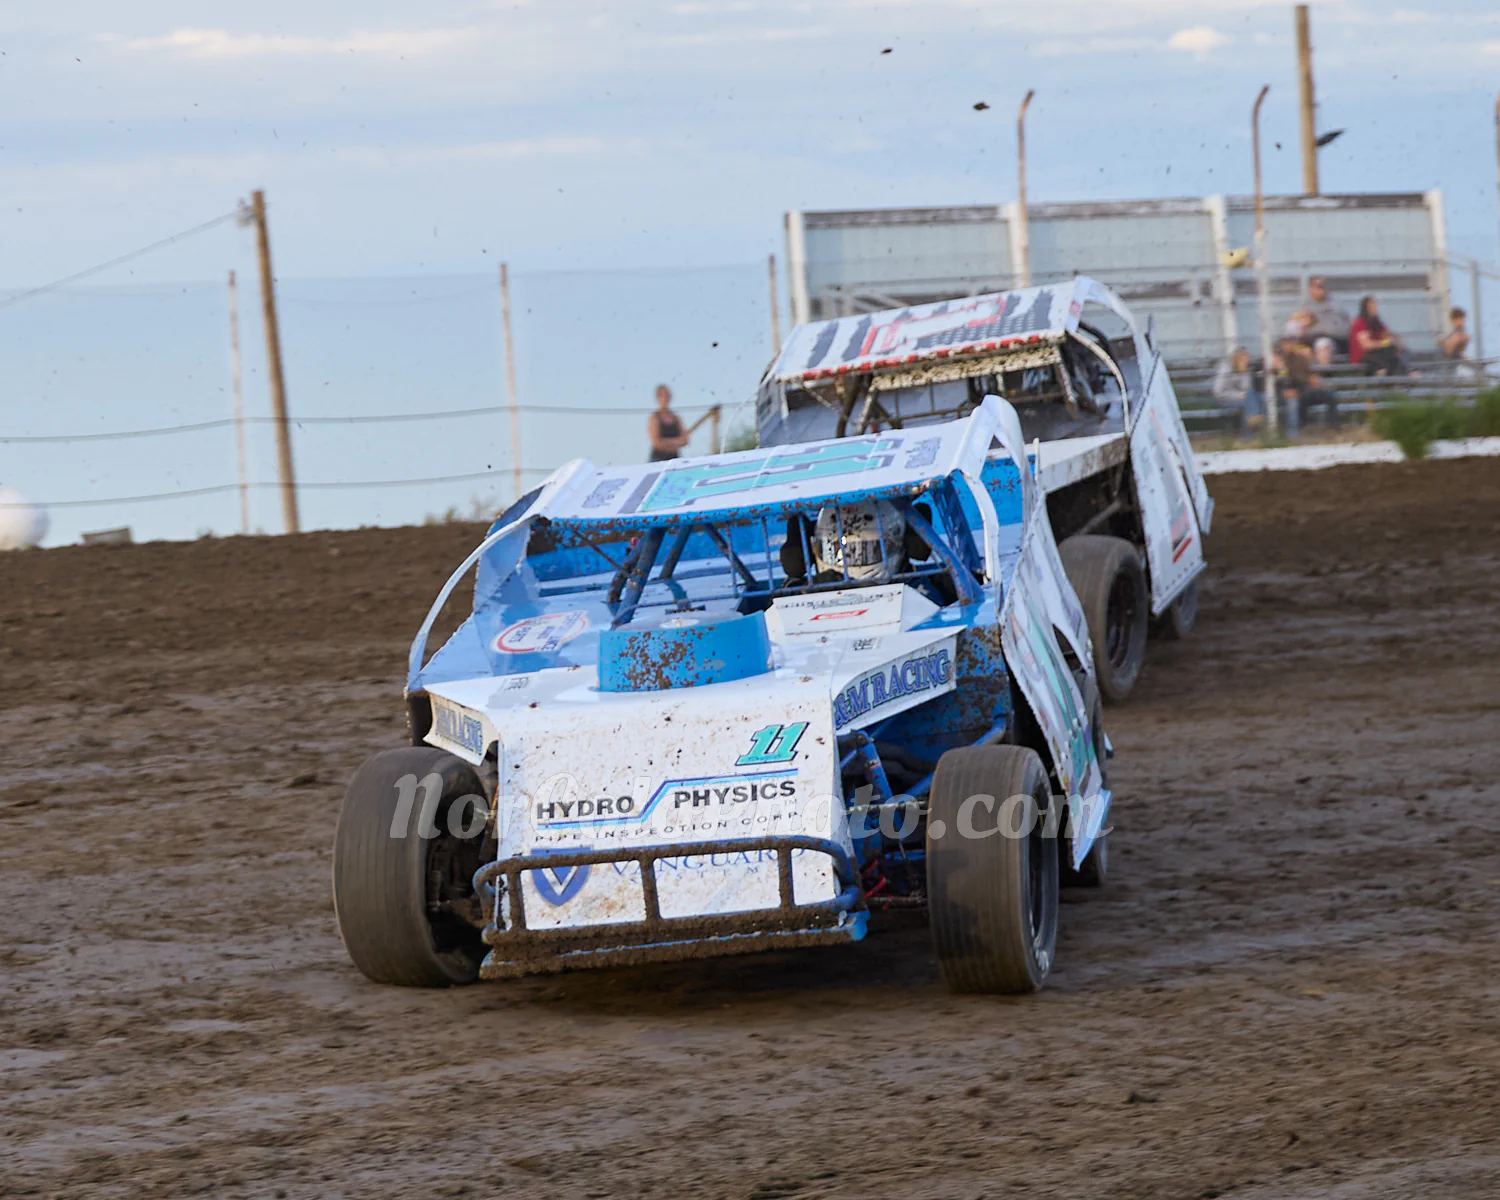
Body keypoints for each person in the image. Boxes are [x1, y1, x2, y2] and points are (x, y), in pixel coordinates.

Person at [1348, 296, 1408, 376]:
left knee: (1398, 354)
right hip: (1364, 356)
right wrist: (1386, 343)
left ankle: (1404, 376)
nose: (1375, 307)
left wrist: (1396, 340)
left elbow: (1386, 334)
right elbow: (1367, 345)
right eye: (1372, 305)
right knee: (1390, 353)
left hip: (1377, 353)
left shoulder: (1376, 321)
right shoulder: (1360, 322)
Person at [1212, 346, 1263, 432]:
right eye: (1244, 358)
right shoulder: (1225, 369)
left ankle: (1252, 421)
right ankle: (1250, 428)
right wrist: (1237, 395)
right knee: (1249, 403)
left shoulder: (1246, 369)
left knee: (1258, 398)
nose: (1247, 360)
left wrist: (1243, 373)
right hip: (1224, 399)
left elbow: (1246, 389)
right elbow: (1217, 392)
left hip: (1243, 398)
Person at [1302, 277, 1351, 353]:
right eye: (1319, 286)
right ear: (1311, 288)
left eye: (1324, 286)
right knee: (1323, 344)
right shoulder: (1306, 307)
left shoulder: (1336, 304)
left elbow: (1347, 321)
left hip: (1339, 339)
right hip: (1316, 340)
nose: (1322, 290)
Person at [647, 384, 688, 462]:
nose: (665, 399)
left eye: (667, 396)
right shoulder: (654, 418)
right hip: (658, 460)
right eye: (662, 396)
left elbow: (685, 440)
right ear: (658, 398)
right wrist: (676, 442)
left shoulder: (676, 418)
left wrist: (666, 442)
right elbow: (656, 442)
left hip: (675, 459)